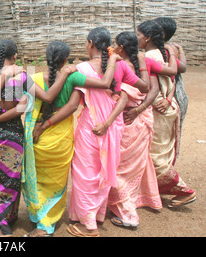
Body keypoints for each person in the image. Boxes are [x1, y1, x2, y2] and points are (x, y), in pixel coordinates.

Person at [0, 39, 78, 237]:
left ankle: (1, 220)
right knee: (11, 177)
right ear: (15, 56)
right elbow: (47, 98)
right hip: (14, 136)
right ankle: (9, 216)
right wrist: (65, 73)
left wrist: (1, 81)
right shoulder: (22, 76)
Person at [23, 40, 120, 237]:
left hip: (36, 136)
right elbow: (101, 86)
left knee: (37, 178)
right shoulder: (74, 77)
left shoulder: (32, 78)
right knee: (57, 182)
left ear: (47, 57)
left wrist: (40, 126)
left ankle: (38, 217)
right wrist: (112, 60)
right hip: (60, 137)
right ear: (66, 59)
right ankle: (48, 220)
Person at [66, 27, 149, 237]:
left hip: (91, 127)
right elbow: (144, 87)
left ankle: (89, 226)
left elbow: (74, 103)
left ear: (92, 43)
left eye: (86, 42)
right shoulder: (120, 64)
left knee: (85, 173)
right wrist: (141, 65)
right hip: (113, 127)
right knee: (103, 172)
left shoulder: (82, 68)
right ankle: (94, 215)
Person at [107, 31, 178, 228]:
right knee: (135, 164)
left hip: (126, 120)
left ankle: (127, 212)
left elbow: (116, 93)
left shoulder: (118, 66)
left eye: (115, 44)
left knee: (120, 167)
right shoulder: (144, 63)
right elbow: (154, 85)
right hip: (141, 121)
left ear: (120, 48)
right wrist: (172, 52)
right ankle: (137, 200)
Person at [137, 20, 196, 208]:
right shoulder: (163, 53)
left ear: (147, 38)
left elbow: (153, 87)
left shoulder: (149, 57)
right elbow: (173, 76)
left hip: (159, 110)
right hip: (168, 107)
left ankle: (184, 190)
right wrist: (170, 98)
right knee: (159, 151)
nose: (136, 38)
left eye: (138, 35)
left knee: (155, 155)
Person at [154, 17, 188, 154]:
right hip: (173, 93)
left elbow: (177, 72)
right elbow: (183, 67)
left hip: (171, 95)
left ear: (162, 34)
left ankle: (166, 168)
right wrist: (181, 51)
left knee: (168, 135)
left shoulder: (167, 51)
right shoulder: (171, 49)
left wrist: (168, 98)